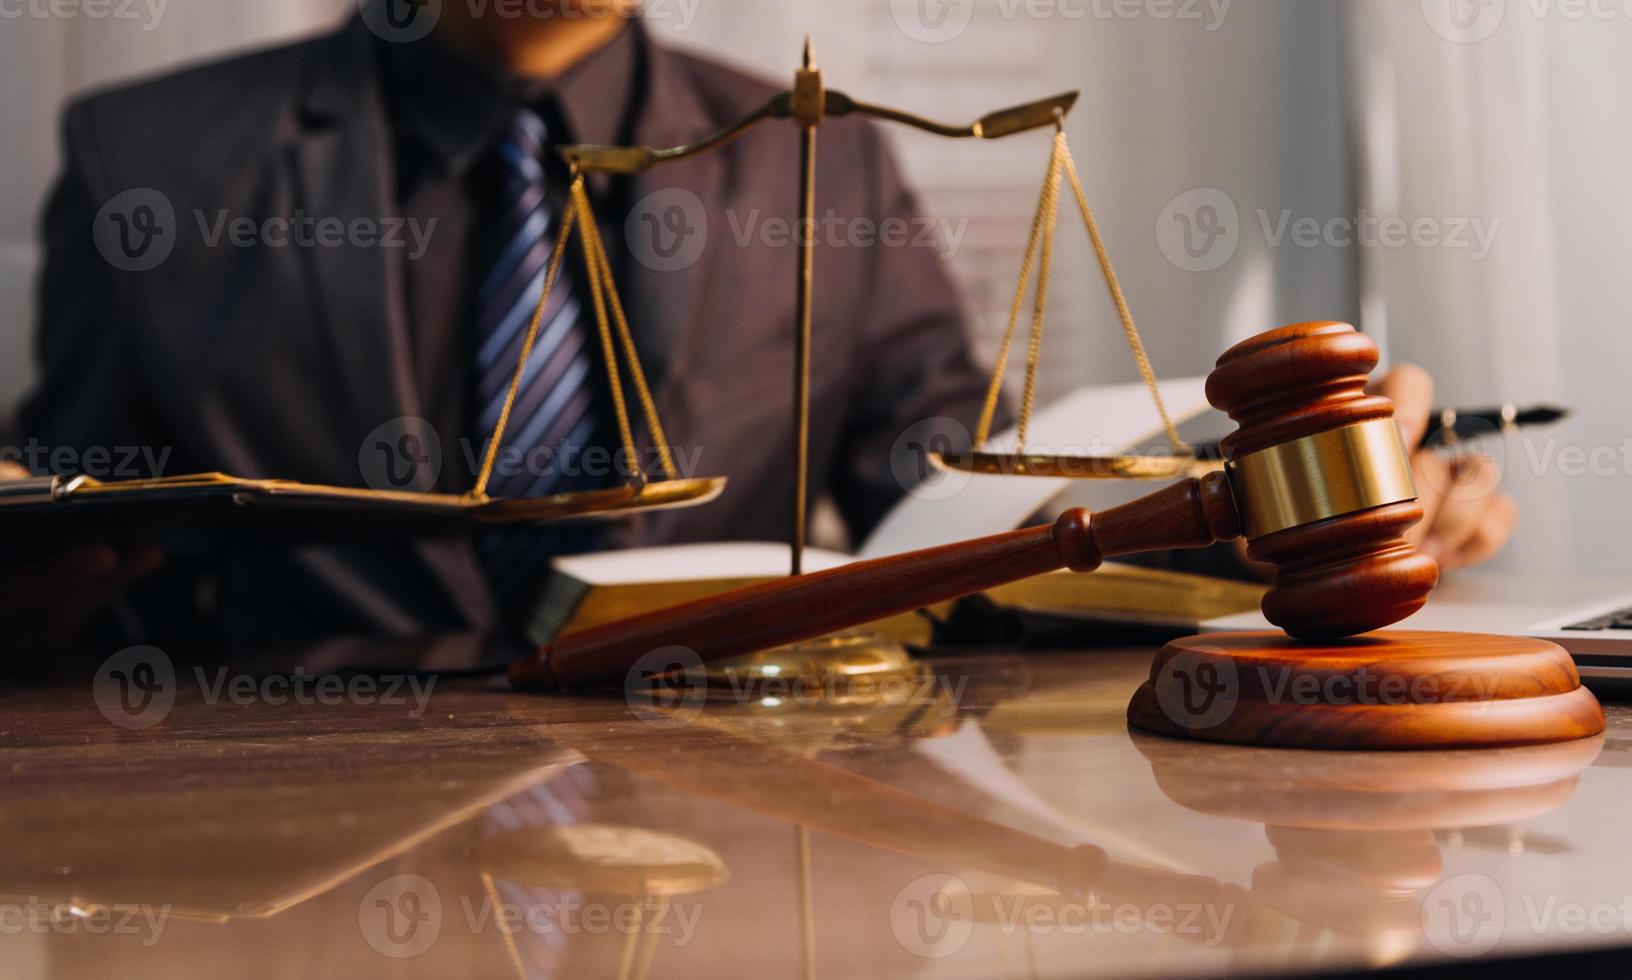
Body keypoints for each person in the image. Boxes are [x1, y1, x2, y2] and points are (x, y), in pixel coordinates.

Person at [4, 0, 1516, 655]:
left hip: (738, 827)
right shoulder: (158, 160)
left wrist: (1242, 524)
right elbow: (79, 525)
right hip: (294, 857)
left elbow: (943, 494)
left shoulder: (819, 155)